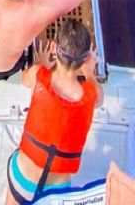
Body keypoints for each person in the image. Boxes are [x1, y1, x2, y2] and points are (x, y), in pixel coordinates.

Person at [5, 19, 103, 204]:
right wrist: (89, 73)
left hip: (23, 178)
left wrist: (42, 63)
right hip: (56, 191)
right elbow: (100, 98)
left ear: (53, 46)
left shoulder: (38, 75)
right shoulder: (91, 96)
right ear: (86, 59)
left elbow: (26, 79)